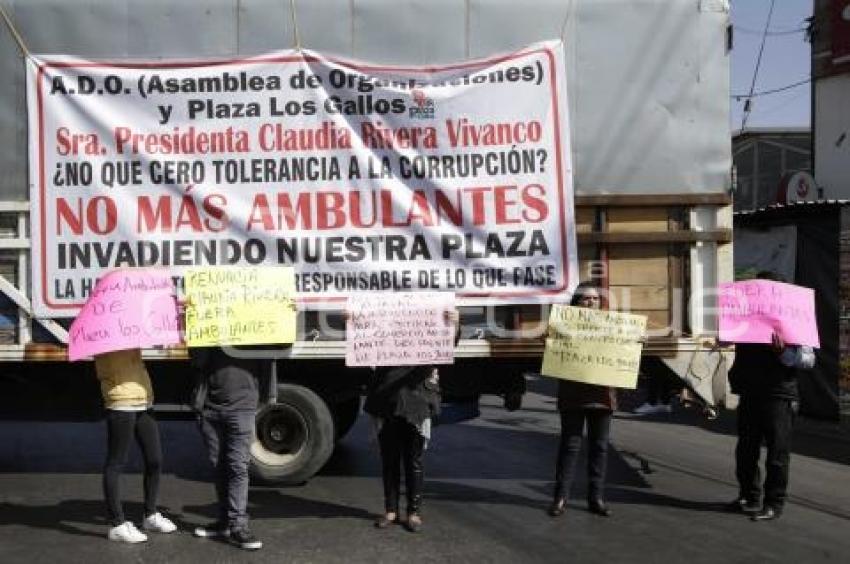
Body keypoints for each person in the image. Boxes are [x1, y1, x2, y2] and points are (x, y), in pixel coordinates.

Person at [727, 272, 815, 522]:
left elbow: (808, 360)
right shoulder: (746, 316)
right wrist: (724, 338)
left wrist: (782, 353)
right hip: (750, 392)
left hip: (779, 395)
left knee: (777, 454)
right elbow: (729, 340)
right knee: (746, 450)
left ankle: (774, 503)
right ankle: (748, 496)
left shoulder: (794, 318)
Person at [363, 308, 460, 533]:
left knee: (413, 459)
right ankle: (391, 510)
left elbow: (447, 344)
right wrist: (353, 321)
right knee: (389, 458)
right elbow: (364, 338)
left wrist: (454, 324)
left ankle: (413, 512)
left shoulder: (429, 309)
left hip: (417, 396)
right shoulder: (385, 309)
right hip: (387, 395)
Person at [95, 348, 176, 543]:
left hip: (143, 398)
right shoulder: (105, 333)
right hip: (120, 400)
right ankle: (117, 525)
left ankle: (150, 515)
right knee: (116, 462)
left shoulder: (131, 327)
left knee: (155, 459)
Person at [549, 282, 616, 518]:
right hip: (573, 393)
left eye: (595, 299)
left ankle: (596, 498)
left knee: (599, 447)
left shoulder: (613, 327)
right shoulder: (563, 326)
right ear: (576, 302)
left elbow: (624, 353)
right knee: (570, 445)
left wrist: (637, 343)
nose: (590, 303)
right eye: (585, 299)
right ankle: (560, 497)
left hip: (602, 395)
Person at [189, 346, 265, 550]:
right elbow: (196, 360)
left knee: (237, 466)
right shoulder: (208, 324)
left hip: (242, 407)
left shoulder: (252, 323)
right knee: (218, 465)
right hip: (210, 407)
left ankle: (238, 525)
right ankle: (225, 521)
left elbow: (277, 348)